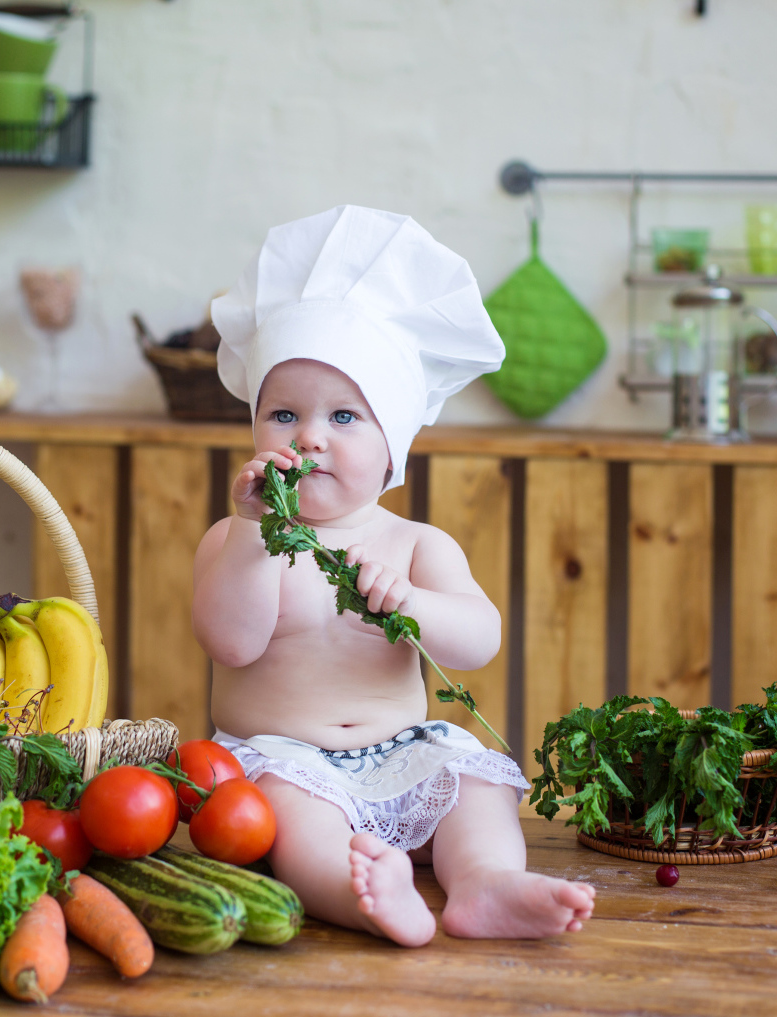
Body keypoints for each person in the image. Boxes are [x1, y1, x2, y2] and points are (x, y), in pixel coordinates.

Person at [192, 206, 595, 946]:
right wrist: (254, 530)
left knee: (476, 782)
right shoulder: (235, 536)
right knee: (293, 821)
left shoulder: (415, 545)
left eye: (345, 417)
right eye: (283, 414)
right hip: (286, 760)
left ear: (392, 447)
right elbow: (231, 642)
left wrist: (413, 603)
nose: (309, 436)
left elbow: (479, 639)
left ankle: (484, 884)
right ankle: (358, 895)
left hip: (405, 751)